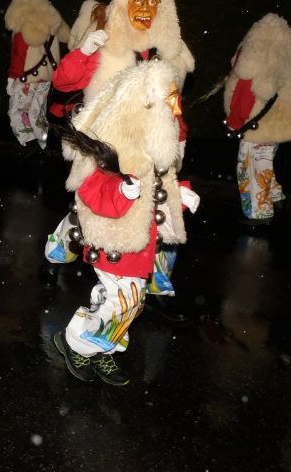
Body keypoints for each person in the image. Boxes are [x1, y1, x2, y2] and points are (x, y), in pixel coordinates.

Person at [43, 0, 194, 321]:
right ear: (124, 3)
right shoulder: (106, 45)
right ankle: (57, 252)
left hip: (151, 149)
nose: (144, 7)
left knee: (158, 210)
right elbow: (64, 82)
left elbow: (173, 103)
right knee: (90, 211)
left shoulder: (167, 54)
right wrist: (83, 52)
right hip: (106, 149)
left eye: (153, 0)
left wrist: (179, 135)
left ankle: (157, 283)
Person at [52, 59, 199, 386]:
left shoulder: (150, 148)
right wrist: (120, 191)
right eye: (168, 102)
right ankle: (76, 342)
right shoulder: (115, 145)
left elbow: (158, 192)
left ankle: (102, 348)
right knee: (125, 301)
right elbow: (90, 192)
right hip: (114, 242)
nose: (175, 110)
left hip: (139, 247)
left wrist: (181, 197)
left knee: (127, 303)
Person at [223, 13, 291, 224]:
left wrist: (236, 122)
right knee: (264, 162)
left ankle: (259, 212)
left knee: (249, 170)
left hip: (256, 126)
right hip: (279, 125)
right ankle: (274, 194)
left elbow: (244, 94)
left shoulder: (256, 54)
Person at [3, 0, 69, 151]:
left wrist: (12, 78)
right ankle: (42, 142)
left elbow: (19, 55)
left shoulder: (24, 23)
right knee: (38, 112)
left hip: (27, 78)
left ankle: (28, 144)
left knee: (20, 112)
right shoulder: (52, 21)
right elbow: (67, 37)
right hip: (46, 78)